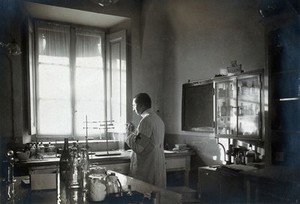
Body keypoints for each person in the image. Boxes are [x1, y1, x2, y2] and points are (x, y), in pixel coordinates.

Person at [126, 93, 166, 188]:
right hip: (156, 159)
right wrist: (135, 132)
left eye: (133, 105)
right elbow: (147, 139)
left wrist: (129, 134)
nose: (133, 109)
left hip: (148, 162)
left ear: (141, 105)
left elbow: (139, 147)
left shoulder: (146, 120)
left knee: (146, 191)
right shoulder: (157, 119)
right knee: (157, 192)